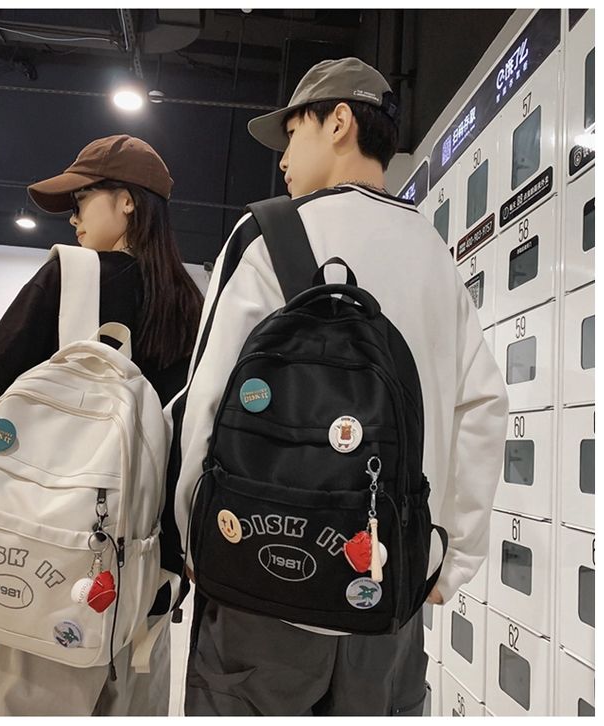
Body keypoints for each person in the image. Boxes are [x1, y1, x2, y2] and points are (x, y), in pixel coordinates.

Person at [166, 58, 508, 716]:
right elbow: (483, 409)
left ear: (339, 122)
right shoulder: (434, 253)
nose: (283, 159)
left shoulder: (265, 233)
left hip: (262, 582)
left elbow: (207, 400)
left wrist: (196, 538)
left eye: (293, 134)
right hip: (386, 592)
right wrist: (452, 560)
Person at [0, 134, 203, 716]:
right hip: (149, 570)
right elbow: (195, 435)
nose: (75, 218)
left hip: (56, 556)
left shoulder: (69, 277)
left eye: (82, 200)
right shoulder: (190, 303)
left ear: (127, 201)